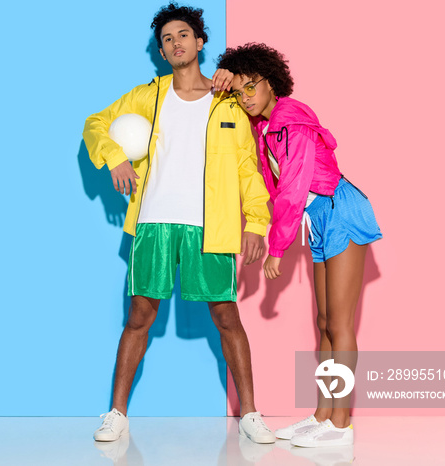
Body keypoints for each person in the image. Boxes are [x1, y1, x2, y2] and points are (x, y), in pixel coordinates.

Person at [83, 3, 274, 445]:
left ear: (200, 42)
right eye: (167, 39)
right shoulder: (147, 95)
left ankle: (250, 415)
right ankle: (116, 414)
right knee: (139, 316)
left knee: (226, 316)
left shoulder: (228, 101)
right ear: (162, 51)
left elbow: (249, 169)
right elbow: (96, 124)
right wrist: (114, 158)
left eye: (183, 34)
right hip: (153, 221)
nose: (175, 43)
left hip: (213, 226)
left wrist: (258, 224)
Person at [214, 43, 382, 448]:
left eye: (251, 87)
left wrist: (277, 245)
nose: (246, 97)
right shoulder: (266, 128)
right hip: (318, 219)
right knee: (324, 323)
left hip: (340, 212)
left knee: (340, 325)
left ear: (271, 83)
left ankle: (341, 425)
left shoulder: (292, 121)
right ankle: (323, 415)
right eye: (239, 93)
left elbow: (292, 188)